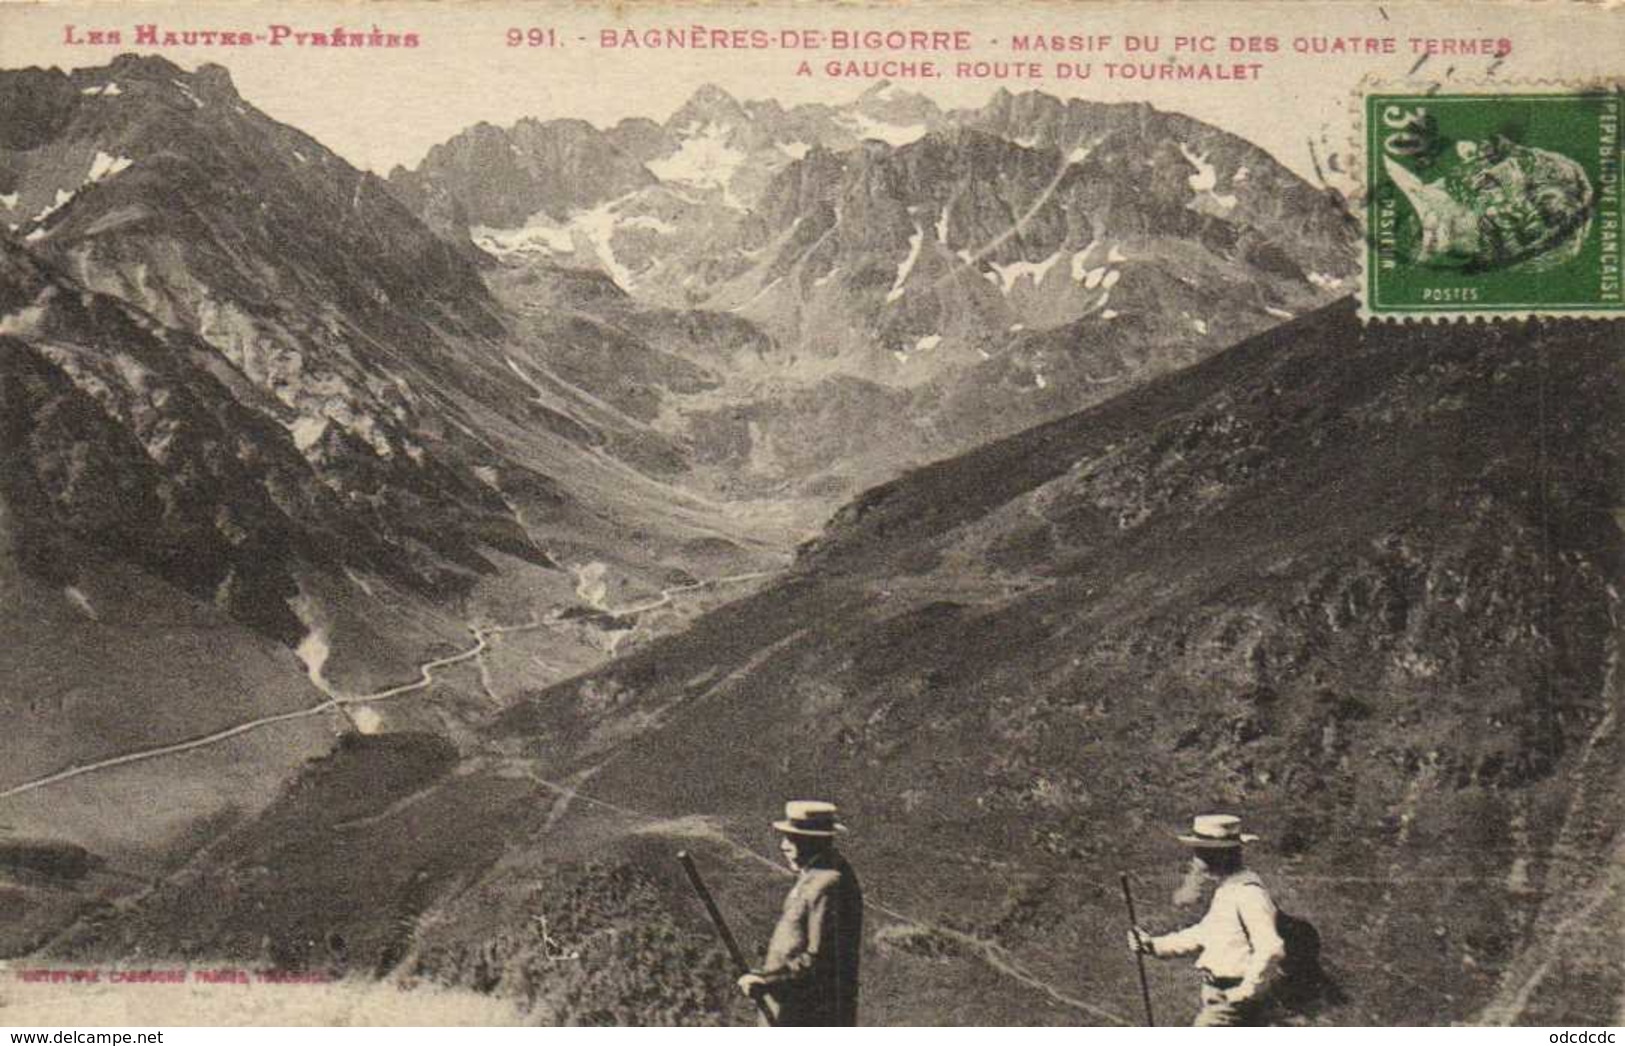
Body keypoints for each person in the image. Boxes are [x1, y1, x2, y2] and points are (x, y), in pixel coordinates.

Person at [1127, 814, 1286, 1027]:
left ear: (1218, 855)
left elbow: (1271, 948)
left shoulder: (1248, 894)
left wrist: (1242, 994)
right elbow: (1204, 934)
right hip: (1220, 996)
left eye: (1200, 851)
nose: (1195, 859)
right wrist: (1153, 945)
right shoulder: (1229, 889)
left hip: (1231, 1002)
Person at [737, 800, 864, 1026]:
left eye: (792, 838)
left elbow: (820, 960)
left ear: (815, 841)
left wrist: (767, 981)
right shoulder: (814, 876)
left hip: (808, 1015)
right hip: (791, 1009)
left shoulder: (829, 884)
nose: (783, 846)